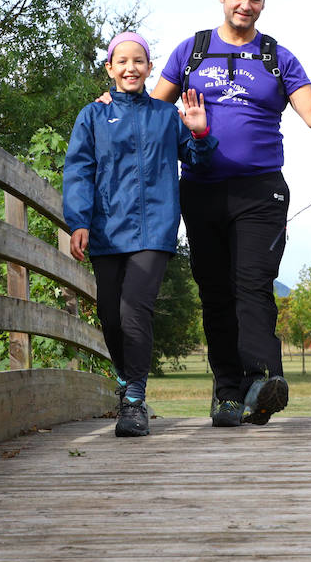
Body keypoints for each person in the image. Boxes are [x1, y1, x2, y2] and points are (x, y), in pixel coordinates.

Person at [151, 0, 311, 427]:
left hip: (260, 192)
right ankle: (227, 393)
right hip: (202, 188)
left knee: (252, 285)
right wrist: (116, 99)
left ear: (264, 2)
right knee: (214, 293)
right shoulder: (191, 52)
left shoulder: (277, 56)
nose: (246, 5)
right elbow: (152, 110)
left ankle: (263, 383)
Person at [63, 32, 217, 437]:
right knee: (111, 317)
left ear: (150, 68)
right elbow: (79, 171)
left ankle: (134, 401)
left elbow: (198, 161)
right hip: (106, 230)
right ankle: (125, 380)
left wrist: (199, 133)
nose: (131, 67)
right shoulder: (92, 116)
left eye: (140, 61)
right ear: (110, 68)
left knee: (135, 310)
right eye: (123, 61)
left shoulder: (166, 116)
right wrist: (78, 220)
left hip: (154, 228)